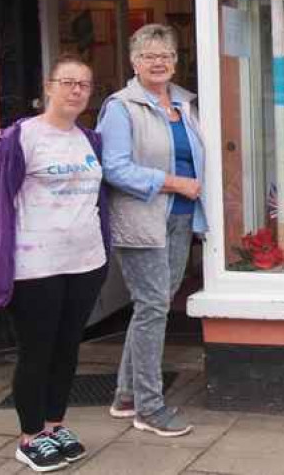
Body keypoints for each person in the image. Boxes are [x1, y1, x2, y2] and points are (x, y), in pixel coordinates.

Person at [0, 55, 109, 472]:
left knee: (68, 349)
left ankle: (55, 425)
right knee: (37, 351)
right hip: (35, 266)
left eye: (84, 85)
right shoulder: (20, 138)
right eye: (67, 82)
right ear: (48, 87)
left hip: (85, 261)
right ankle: (30, 436)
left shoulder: (90, 139)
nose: (75, 91)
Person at [96, 24, 206, 437]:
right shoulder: (121, 107)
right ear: (133, 61)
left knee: (152, 306)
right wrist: (174, 182)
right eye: (148, 55)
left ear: (176, 61)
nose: (158, 62)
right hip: (142, 221)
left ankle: (126, 396)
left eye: (166, 55)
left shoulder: (184, 103)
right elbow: (115, 167)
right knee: (153, 308)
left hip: (180, 218)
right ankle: (149, 406)